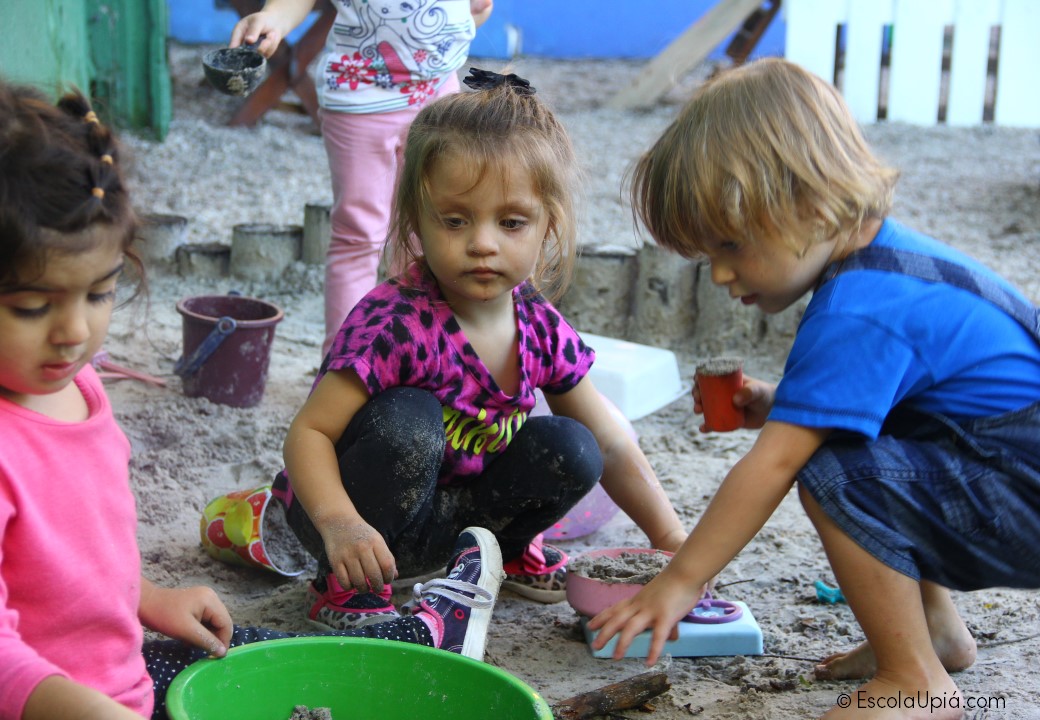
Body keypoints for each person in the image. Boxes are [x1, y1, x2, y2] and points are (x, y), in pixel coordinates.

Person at [0, 79, 504, 720]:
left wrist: (147, 599)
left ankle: (416, 643)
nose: (74, 331)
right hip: (61, 704)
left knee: (282, 658)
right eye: (33, 306)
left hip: (120, 674)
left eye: (99, 293)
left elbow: (69, 559)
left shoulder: (73, 383)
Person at [587, 58, 1040, 719]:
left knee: (837, 474)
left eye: (730, 245)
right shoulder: (890, 264)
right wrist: (780, 405)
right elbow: (905, 400)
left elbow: (774, 463)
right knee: (870, 445)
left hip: (1021, 498)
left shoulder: (858, 310)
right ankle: (936, 634)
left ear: (805, 203)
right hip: (1008, 471)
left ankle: (914, 681)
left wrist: (680, 581)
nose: (720, 275)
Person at [271, 68, 688, 632]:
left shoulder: (539, 327)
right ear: (416, 220)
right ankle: (344, 589)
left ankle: (498, 554)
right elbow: (309, 433)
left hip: (451, 524)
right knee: (410, 420)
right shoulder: (393, 322)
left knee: (574, 446)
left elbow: (611, 443)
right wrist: (339, 524)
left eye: (511, 222)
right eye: (455, 220)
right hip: (356, 527)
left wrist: (672, 542)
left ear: (547, 226)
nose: (483, 243)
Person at [230, 0, 495, 358]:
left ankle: (417, 359)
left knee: (428, 235)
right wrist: (273, 18)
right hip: (360, 99)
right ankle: (344, 367)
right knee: (357, 236)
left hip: (436, 97)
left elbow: (475, 12)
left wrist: (469, 15)